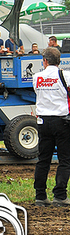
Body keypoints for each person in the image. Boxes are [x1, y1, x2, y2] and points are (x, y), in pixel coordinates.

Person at [32, 48, 70, 207]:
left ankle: (40, 195)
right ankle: (60, 196)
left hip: (42, 122)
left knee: (43, 159)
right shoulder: (65, 75)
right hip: (62, 121)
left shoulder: (36, 77)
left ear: (45, 61)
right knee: (65, 160)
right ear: (59, 60)